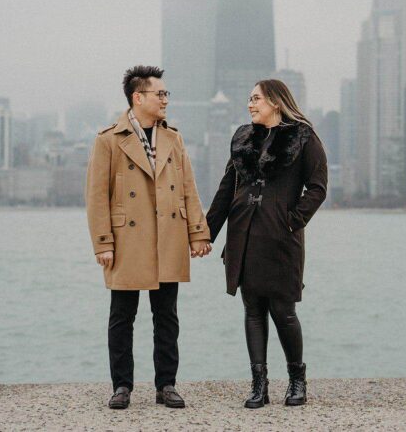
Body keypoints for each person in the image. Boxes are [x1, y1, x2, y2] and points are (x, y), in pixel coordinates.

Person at [85, 65, 212, 410]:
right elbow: (96, 196)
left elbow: (188, 188)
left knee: (167, 316)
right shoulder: (108, 139)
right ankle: (121, 386)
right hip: (126, 239)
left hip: (168, 235)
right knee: (122, 316)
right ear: (138, 97)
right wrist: (103, 242)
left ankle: (166, 385)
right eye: (160, 94)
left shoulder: (173, 137)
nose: (166, 100)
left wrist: (198, 233)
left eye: (166, 94)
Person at [206, 79, 327, 408]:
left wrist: (292, 220)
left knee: (283, 311)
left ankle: (297, 380)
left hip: (280, 238)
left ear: (275, 101)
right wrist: (206, 234)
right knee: (253, 310)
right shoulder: (243, 138)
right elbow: (225, 190)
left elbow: (317, 188)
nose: (250, 104)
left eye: (256, 98)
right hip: (243, 235)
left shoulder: (304, 137)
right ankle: (259, 386)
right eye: (249, 98)